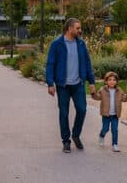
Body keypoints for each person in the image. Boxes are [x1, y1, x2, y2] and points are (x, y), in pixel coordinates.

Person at [45, 18, 96, 153]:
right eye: (78, 28)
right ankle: (66, 141)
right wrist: (50, 83)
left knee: (82, 110)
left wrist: (91, 82)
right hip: (63, 85)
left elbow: (87, 64)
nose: (80, 30)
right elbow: (50, 64)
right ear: (70, 29)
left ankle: (76, 135)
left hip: (78, 84)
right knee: (64, 113)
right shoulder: (57, 44)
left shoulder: (81, 44)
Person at [90, 71, 127, 152]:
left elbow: (124, 99)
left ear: (116, 81)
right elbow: (97, 97)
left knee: (114, 129)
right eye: (110, 80)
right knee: (105, 129)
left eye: (114, 80)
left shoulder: (119, 90)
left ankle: (115, 144)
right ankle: (102, 136)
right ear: (106, 81)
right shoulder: (103, 90)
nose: (112, 81)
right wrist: (93, 93)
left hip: (115, 115)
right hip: (106, 114)